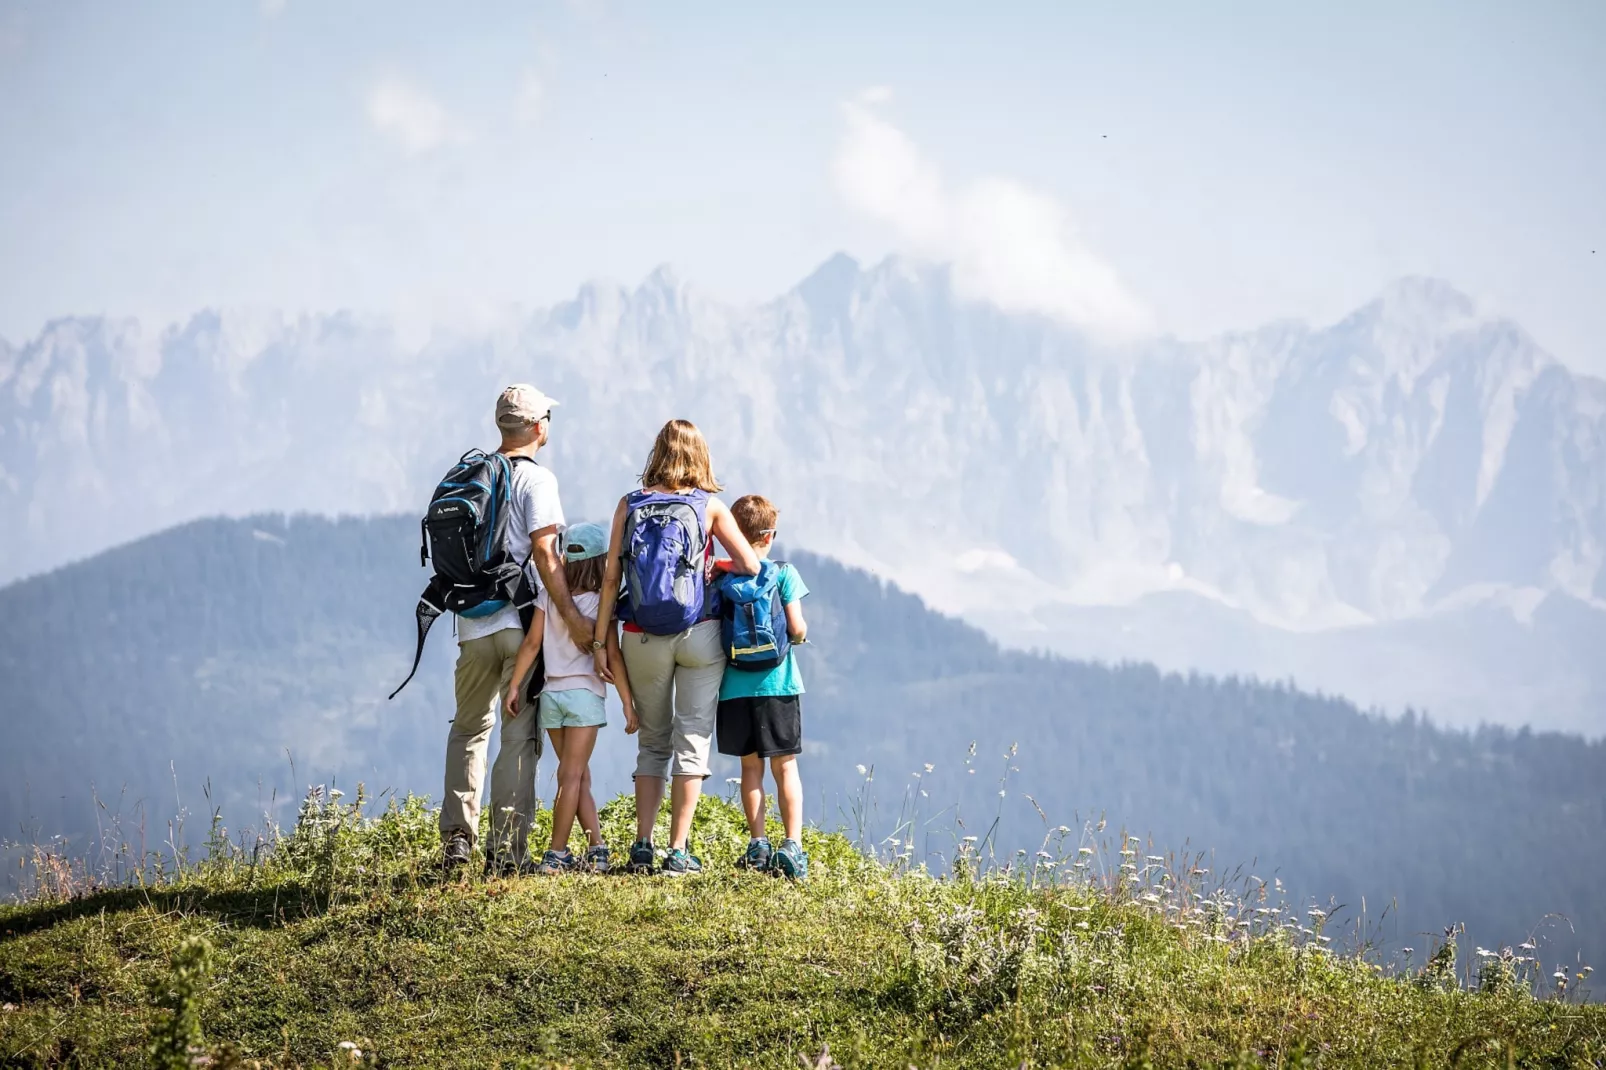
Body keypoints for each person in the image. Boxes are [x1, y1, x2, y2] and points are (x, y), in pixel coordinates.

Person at [592, 419, 760, 876]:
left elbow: (610, 578)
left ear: (658, 453)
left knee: (652, 742)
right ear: (700, 455)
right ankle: (678, 850)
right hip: (700, 631)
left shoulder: (630, 505)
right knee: (692, 739)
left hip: (640, 635)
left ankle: (642, 844)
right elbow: (749, 564)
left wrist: (598, 640)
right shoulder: (709, 506)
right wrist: (715, 567)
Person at [440, 384, 593, 874]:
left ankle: (457, 840)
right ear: (537, 427)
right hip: (520, 625)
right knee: (518, 737)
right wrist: (574, 620)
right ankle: (507, 853)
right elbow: (547, 557)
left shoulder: (474, 474)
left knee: (468, 729)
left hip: (471, 623)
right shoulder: (538, 482)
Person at [504, 521, 637, 874]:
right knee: (573, 776)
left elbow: (532, 644)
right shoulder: (600, 604)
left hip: (551, 696)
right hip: (584, 696)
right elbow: (614, 654)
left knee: (577, 775)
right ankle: (557, 853)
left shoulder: (549, 597)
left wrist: (515, 684)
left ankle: (597, 848)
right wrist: (626, 702)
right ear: (601, 562)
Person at [714, 495, 811, 880]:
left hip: (735, 687)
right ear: (768, 536)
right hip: (778, 682)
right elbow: (797, 627)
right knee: (785, 766)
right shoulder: (784, 573)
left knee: (750, 768)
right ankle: (792, 845)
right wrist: (800, 639)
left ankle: (757, 845)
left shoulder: (722, 578)